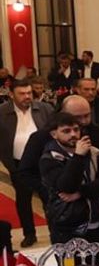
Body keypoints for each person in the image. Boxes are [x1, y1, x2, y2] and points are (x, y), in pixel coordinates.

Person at [39, 113, 99, 247]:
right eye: (66, 131)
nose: (73, 134)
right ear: (54, 134)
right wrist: (78, 156)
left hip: (98, 222)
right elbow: (67, 187)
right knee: (72, 261)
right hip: (68, 225)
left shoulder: (94, 153)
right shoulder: (49, 158)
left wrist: (81, 193)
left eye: (76, 129)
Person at [0, 80, 53, 246]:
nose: (27, 96)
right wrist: (8, 163)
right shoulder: (2, 112)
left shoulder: (45, 109)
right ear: (11, 95)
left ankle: (55, 229)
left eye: (29, 93)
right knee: (23, 200)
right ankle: (29, 233)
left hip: (44, 162)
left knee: (49, 198)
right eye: (22, 94)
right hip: (18, 164)